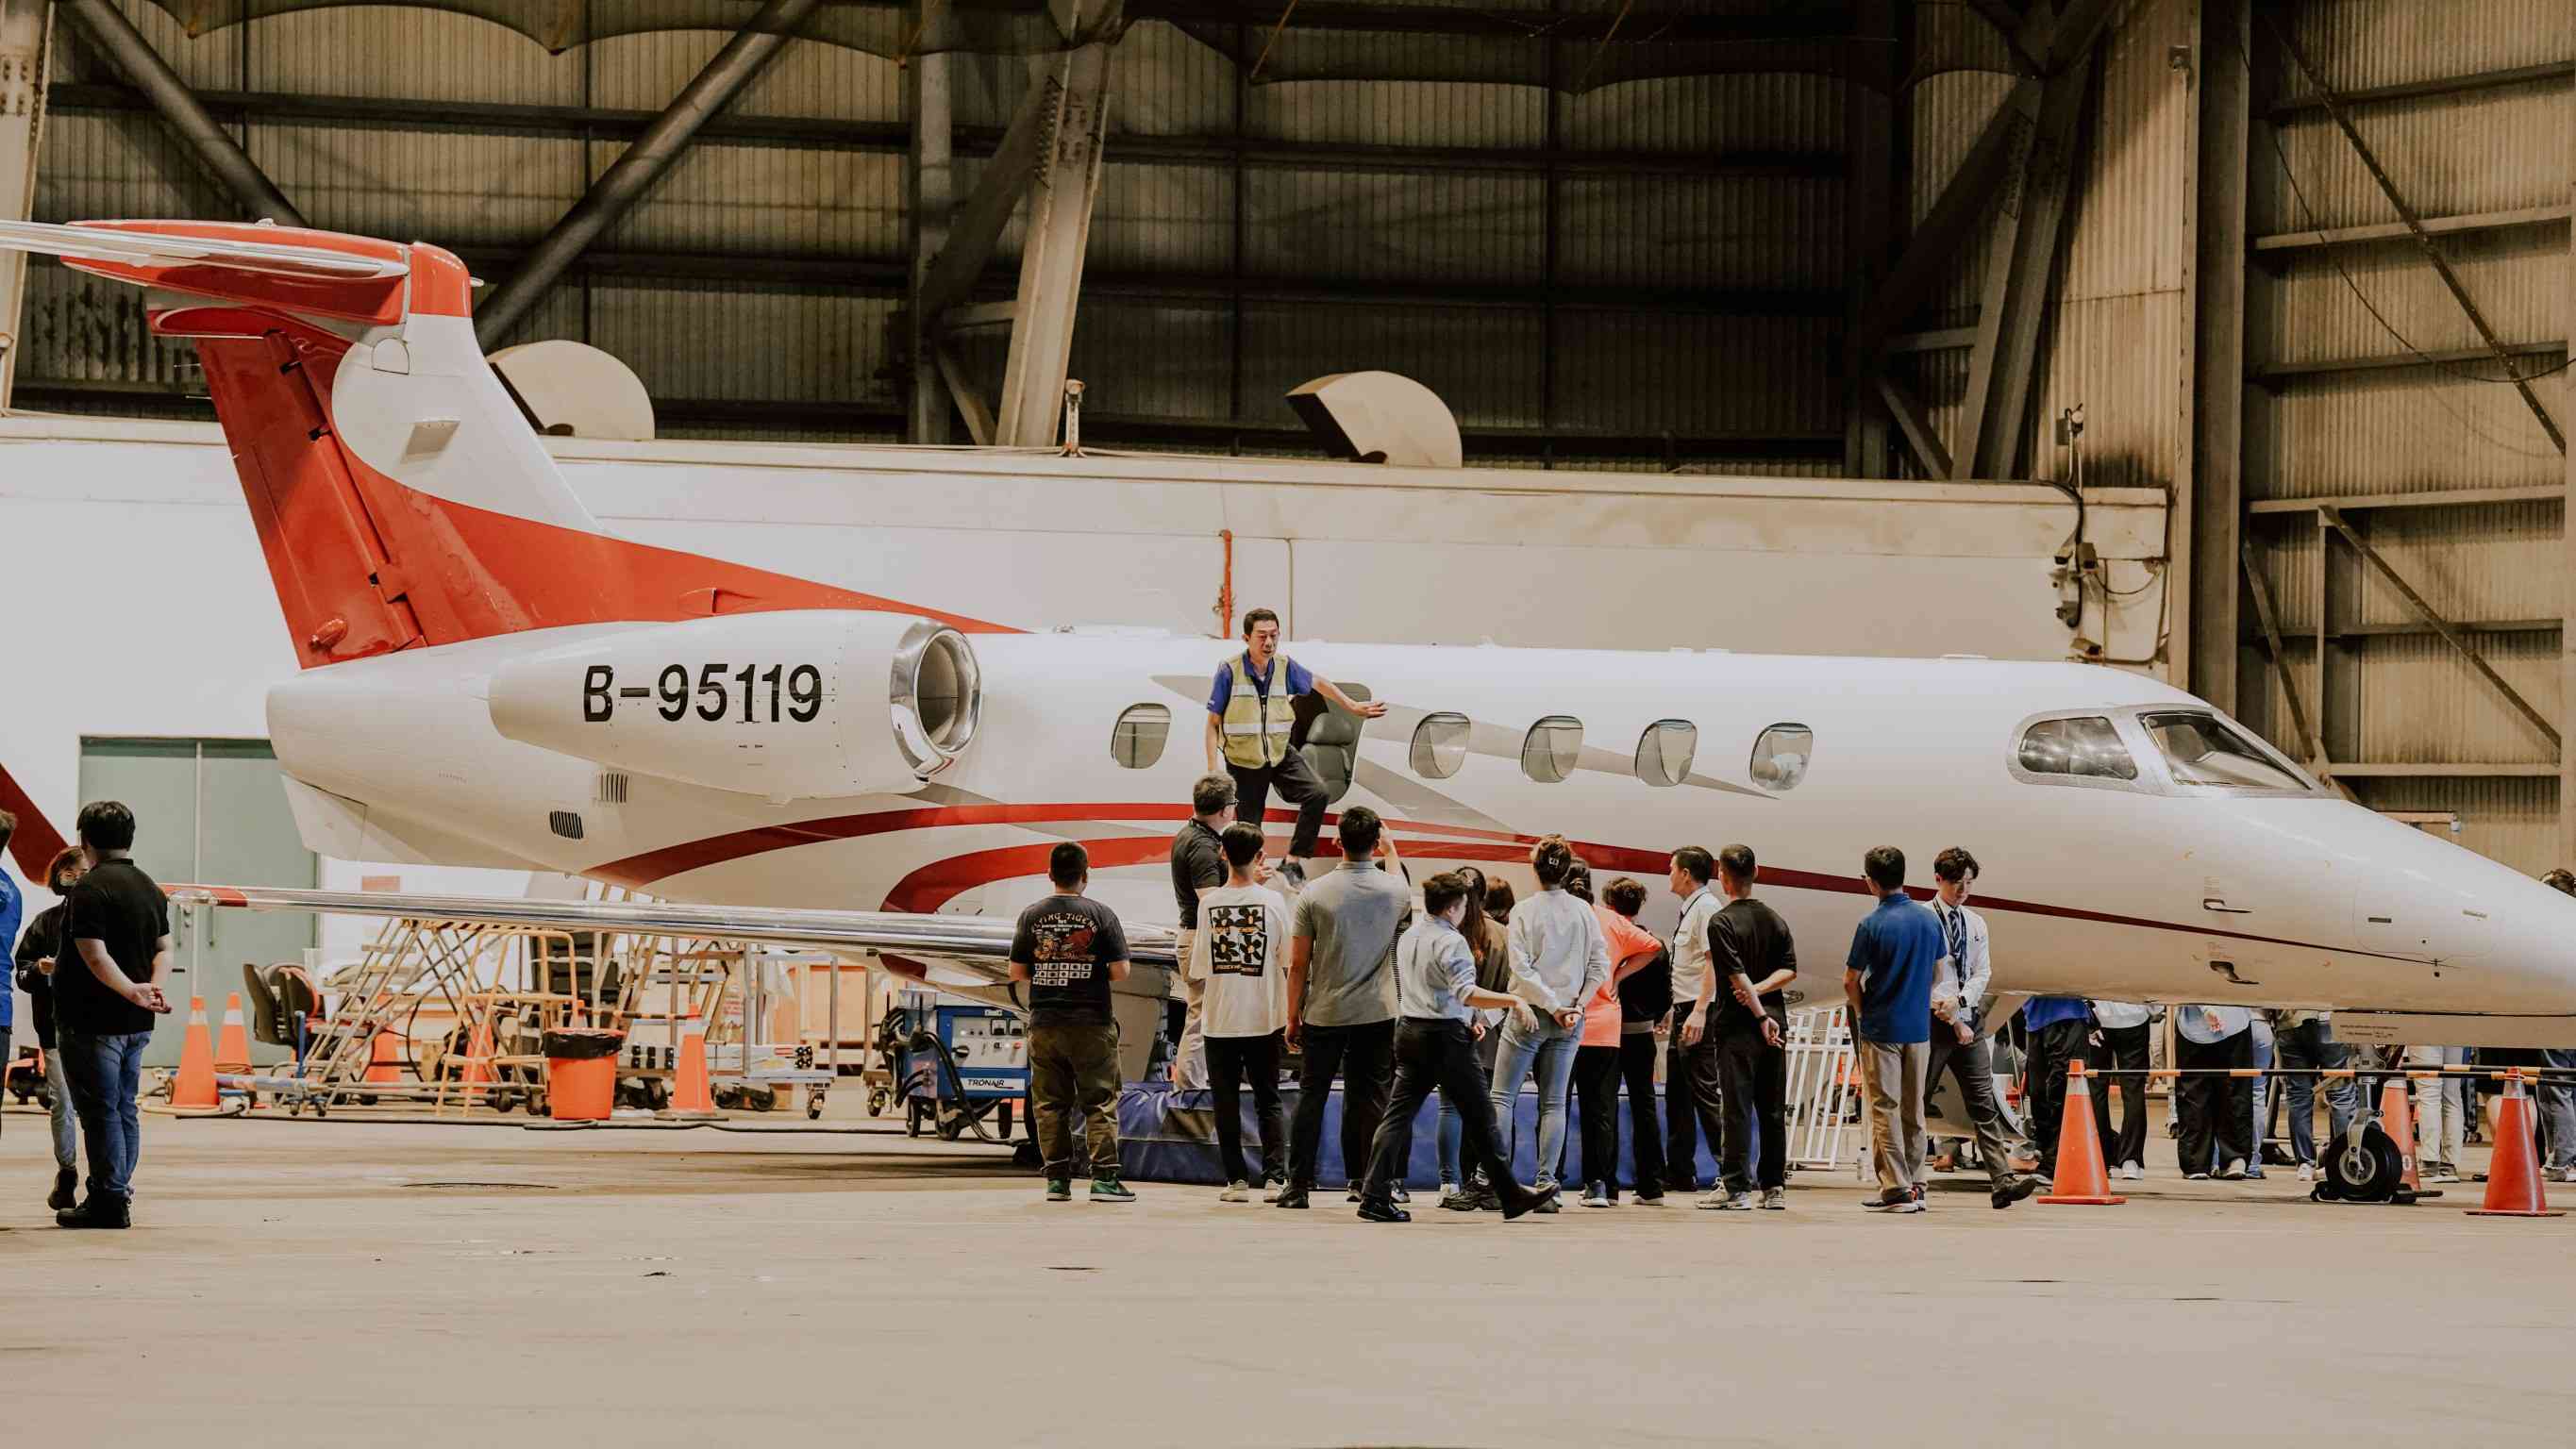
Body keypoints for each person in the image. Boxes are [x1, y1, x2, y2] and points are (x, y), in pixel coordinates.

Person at [1353, 872, 1547, 1223]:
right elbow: (1465, 992)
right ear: (1455, 907)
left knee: (1397, 1117)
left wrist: (1466, 1015)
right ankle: (1510, 1194)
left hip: (1410, 1031)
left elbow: (1441, 990)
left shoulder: (1410, 935)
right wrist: (1513, 1001)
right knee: (1482, 1117)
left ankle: (1373, 1195)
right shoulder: (1452, 941)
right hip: (1444, 1039)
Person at [53, 801, 176, 1229]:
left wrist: (131, 990)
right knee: (124, 1109)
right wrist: (150, 990)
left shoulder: (89, 889)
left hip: (92, 1020)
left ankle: (107, 1200)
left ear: (84, 839)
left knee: (101, 1111)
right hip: (135, 1022)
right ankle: (118, 1193)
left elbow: (94, 954)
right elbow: (165, 949)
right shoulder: (150, 888)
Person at [1279, 806, 1409, 1209]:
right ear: (1375, 842)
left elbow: (1299, 963)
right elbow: (1399, 892)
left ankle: (1297, 1185)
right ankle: (1363, 1181)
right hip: (1377, 1011)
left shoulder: (1313, 893)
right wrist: (1392, 849)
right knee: (1369, 1098)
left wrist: (1292, 1016)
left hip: (1324, 1011)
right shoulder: (1395, 891)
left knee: (1312, 1095)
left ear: (1337, 842)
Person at [1202, 608, 1386, 884]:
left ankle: (1293, 862)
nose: (1269, 643)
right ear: (1246, 638)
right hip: (1245, 761)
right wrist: (1213, 769)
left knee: (1318, 793)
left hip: (1279, 752)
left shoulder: (1284, 666)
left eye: (1274, 636)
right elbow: (1212, 723)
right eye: (1262, 636)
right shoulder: (1230, 671)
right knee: (1249, 828)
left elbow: (1318, 683)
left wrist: (1351, 705)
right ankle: (1252, 879)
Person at [1008, 841, 1136, 1204]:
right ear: (1086, 875)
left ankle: (1057, 1182)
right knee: (1100, 1101)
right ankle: (1104, 1181)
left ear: (1050, 875)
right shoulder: (1102, 915)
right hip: (1092, 1021)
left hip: (1045, 1022)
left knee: (1049, 1105)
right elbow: (1121, 972)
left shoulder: (1030, 916)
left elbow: (1016, 971)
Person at [1915, 848, 2039, 1210]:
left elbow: (1982, 972)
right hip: (1932, 1020)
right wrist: (1949, 1013)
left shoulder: (1975, 922)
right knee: (1918, 1101)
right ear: (1938, 879)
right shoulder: (1923, 919)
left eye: (1968, 883)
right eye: (1956, 883)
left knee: (1983, 1103)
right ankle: (1910, 1180)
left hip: (1967, 1018)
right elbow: (1925, 973)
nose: (1963, 889)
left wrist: (1962, 1004)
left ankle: (2002, 1181)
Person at [1491, 837, 1609, 1210]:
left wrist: (1553, 1005)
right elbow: (1599, 966)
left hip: (1530, 1012)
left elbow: (1521, 969)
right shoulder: (1584, 912)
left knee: (1502, 1096)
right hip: (1571, 1017)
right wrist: (1575, 1006)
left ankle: (1497, 1181)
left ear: (1535, 867)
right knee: (1554, 1102)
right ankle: (1547, 1185)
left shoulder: (1524, 910)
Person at [1691, 843, 1801, 1211]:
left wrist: (1757, 1011)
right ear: (1756, 873)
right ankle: (1773, 1187)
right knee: (1772, 1108)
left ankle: (1735, 1186)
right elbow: (1789, 969)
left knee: (1736, 1107)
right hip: (1776, 1023)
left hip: (1740, 1025)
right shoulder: (1774, 919)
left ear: (1722, 876)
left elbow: (1736, 975)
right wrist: (1766, 998)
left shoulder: (1720, 922)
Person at [1186, 824, 1291, 1201]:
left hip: (1220, 1018)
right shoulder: (1275, 902)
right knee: (1268, 1099)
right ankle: (1276, 1178)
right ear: (1260, 857)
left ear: (1222, 855)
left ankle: (1236, 1182)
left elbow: (1199, 967)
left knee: (1226, 1102)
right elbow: (1285, 958)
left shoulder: (1208, 904)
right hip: (1264, 1016)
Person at [1845, 845, 1939, 1213]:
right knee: (1914, 1109)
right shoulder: (1930, 920)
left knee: (1884, 1108)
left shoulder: (1871, 924)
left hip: (1881, 1026)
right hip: (1918, 1026)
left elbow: (1851, 979)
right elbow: (1939, 971)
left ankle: (1897, 1188)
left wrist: (1861, 1011)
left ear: (1870, 881)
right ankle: (1917, 1184)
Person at [1572, 873, 1661, 1208]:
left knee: (1572, 1104)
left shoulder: (1582, 922)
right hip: (1625, 1030)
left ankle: (1588, 1183)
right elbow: (1658, 960)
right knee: (1623, 1107)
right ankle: (1633, 1184)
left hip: (1581, 1024)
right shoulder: (1628, 931)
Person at [14, 845, 89, 1209]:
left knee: (102, 1106)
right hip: (56, 1029)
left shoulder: (108, 922)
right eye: (70, 873)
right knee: (63, 1102)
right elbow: (22, 973)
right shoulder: (44, 923)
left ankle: (106, 1179)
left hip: (99, 1027)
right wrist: (39, 971)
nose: (76, 880)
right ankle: (69, 1170)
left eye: (84, 873)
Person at [1438, 870, 1516, 1209]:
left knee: (1451, 1108)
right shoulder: (1503, 935)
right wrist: (1484, 1019)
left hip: (1449, 1029)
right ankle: (1482, 1182)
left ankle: (1449, 1182)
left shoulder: (1445, 932)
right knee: (1487, 1112)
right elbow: (1511, 989)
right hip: (1490, 1036)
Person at [1663, 846, 1727, 1191]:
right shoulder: (1690, 909)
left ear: (1686, 873)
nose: (1669, 875)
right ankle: (1679, 1170)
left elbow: (1712, 962)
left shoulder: (1706, 909)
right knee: (1679, 1093)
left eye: (1672, 869)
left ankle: (1730, 1169)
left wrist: (1701, 1010)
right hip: (1684, 1008)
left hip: (1700, 1010)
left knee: (1704, 1091)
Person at [1167, 773, 1237, 1092]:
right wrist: (1250, 887)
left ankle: (1193, 1084)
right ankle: (1188, 1090)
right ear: (1224, 810)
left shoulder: (1191, 835)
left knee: (1202, 1015)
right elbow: (1211, 903)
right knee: (1200, 1018)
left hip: (1194, 937)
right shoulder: (1203, 847)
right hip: (1200, 939)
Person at [2171, 1004, 2254, 1180]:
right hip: (2230, 1022)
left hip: (2199, 1025)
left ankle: (2196, 1162)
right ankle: (2233, 1158)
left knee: (2194, 1095)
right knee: (2234, 1093)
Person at [2019, 992, 2097, 1181]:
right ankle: (2049, 1155)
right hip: (2035, 1019)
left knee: (2060, 1092)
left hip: (2068, 1016)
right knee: (2038, 1095)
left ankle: (2054, 1162)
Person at [2089, 1000, 2152, 1179]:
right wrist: (2150, 1008)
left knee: (2096, 1090)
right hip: (2134, 1016)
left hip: (2098, 1016)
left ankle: (2100, 1157)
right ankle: (2130, 1160)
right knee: (2133, 1091)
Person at [2406, 1044, 2468, 1183]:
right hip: (2456, 1027)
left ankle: (2429, 1163)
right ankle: (2449, 1165)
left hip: (2424, 1028)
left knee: (2429, 1095)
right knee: (2452, 1095)